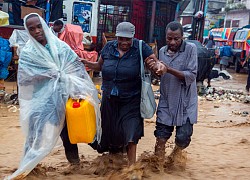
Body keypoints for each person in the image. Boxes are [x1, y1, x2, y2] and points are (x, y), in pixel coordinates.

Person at [7, 13, 101, 179]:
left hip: (64, 98)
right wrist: (48, 74)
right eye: (32, 29)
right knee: (35, 136)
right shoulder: (28, 52)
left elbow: (75, 66)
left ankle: (77, 166)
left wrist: (78, 89)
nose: (37, 31)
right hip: (41, 103)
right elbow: (25, 78)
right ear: (28, 31)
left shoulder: (59, 46)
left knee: (68, 134)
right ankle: (29, 167)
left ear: (44, 25)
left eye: (39, 26)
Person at [81, 22, 159, 165]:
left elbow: (154, 62)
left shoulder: (141, 47)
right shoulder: (109, 47)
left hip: (132, 99)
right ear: (116, 37)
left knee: (131, 133)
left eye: (127, 39)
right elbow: (99, 66)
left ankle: (131, 167)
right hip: (109, 98)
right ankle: (113, 162)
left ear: (133, 37)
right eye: (121, 38)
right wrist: (86, 63)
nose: (124, 42)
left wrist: (157, 66)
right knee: (110, 132)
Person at [146, 21, 198, 164]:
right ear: (165, 37)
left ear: (182, 37)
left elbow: (191, 75)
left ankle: (176, 156)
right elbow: (159, 75)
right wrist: (153, 69)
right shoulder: (162, 51)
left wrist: (168, 69)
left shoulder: (191, 49)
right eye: (169, 38)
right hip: (167, 101)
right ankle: (158, 168)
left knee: (183, 138)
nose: (172, 42)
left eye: (176, 39)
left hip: (185, 102)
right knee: (161, 136)